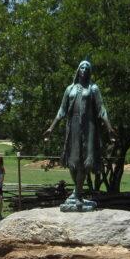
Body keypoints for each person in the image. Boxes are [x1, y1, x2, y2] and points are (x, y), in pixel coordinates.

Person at [43, 59, 116, 210]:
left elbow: (101, 109)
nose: (84, 69)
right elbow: (61, 111)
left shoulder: (93, 88)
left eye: (87, 67)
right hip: (73, 127)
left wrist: (109, 127)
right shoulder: (70, 89)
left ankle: (77, 194)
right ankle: (78, 192)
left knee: (86, 161)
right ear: (78, 70)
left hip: (89, 128)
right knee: (72, 161)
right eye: (82, 67)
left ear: (89, 71)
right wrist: (51, 128)